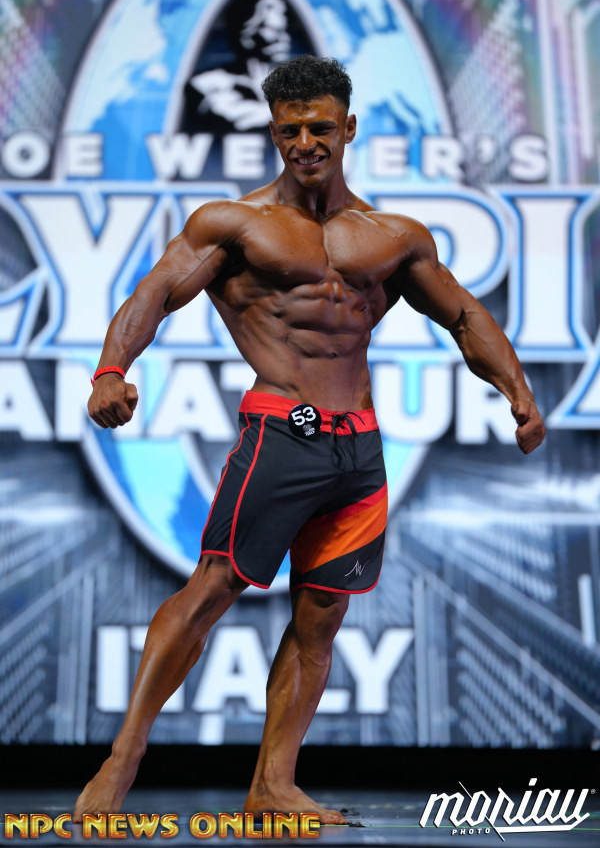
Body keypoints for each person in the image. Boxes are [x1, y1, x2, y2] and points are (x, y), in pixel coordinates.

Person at [74, 55, 546, 824]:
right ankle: (120, 761)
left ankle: (274, 784)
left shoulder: (393, 237)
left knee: (321, 615)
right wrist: (109, 371)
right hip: (281, 431)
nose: (305, 143)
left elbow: (463, 314)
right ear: (273, 134)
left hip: (358, 451)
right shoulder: (234, 225)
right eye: (289, 130)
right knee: (213, 588)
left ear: (348, 128)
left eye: (319, 128)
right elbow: (156, 292)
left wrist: (518, 393)